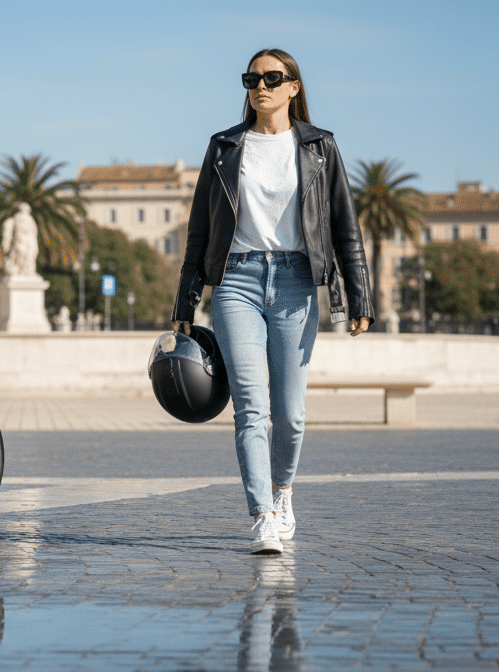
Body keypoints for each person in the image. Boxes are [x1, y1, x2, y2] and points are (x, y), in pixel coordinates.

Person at [171, 48, 374, 554]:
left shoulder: (320, 147)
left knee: (290, 414)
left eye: (272, 77)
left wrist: (359, 295)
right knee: (250, 406)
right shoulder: (223, 147)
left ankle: (283, 493)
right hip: (235, 281)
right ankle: (262, 514)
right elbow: (199, 230)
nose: (260, 86)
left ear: (293, 87)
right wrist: (184, 303)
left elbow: (345, 228)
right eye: (252, 78)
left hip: (294, 281)